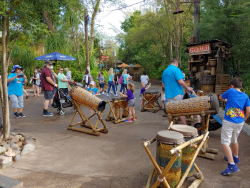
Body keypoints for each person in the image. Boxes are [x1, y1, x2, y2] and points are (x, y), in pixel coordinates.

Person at [219, 77, 250, 175]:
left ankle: (231, 165)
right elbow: (248, 111)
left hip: (229, 121)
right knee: (234, 139)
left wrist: (225, 99)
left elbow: (221, 97)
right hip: (240, 121)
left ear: (232, 86)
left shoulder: (230, 91)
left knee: (225, 141)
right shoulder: (245, 96)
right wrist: (245, 119)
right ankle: (235, 157)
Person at [162, 58, 193, 124]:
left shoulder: (165, 71)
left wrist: (168, 90)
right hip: (177, 93)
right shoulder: (176, 69)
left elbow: (163, 84)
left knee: (172, 110)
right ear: (176, 63)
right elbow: (180, 81)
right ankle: (185, 126)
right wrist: (187, 88)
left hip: (168, 95)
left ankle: (172, 125)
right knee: (180, 110)